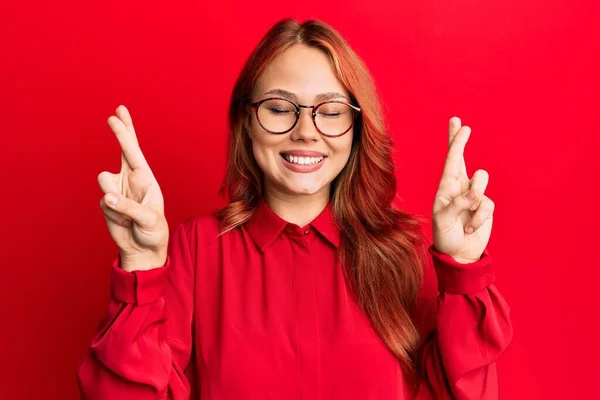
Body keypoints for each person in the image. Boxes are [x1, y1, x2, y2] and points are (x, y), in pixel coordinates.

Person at [76, 18, 512, 400]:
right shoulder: (196, 249)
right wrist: (141, 267)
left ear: (356, 128)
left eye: (332, 111)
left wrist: (463, 269)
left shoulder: (404, 255)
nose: (306, 131)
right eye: (281, 108)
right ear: (246, 121)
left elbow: (462, 391)